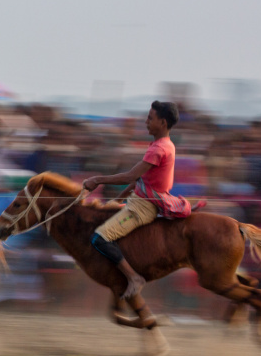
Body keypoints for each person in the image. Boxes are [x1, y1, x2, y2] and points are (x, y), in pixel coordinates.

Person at [83, 101, 200, 298]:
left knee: (99, 238)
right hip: (138, 201)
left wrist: (97, 180)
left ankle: (133, 278)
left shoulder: (158, 149)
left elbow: (130, 176)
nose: (146, 122)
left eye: (150, 118)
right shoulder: (162, 144)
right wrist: (116, 200)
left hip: (142, 209)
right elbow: (140, 180)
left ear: (162, 122)